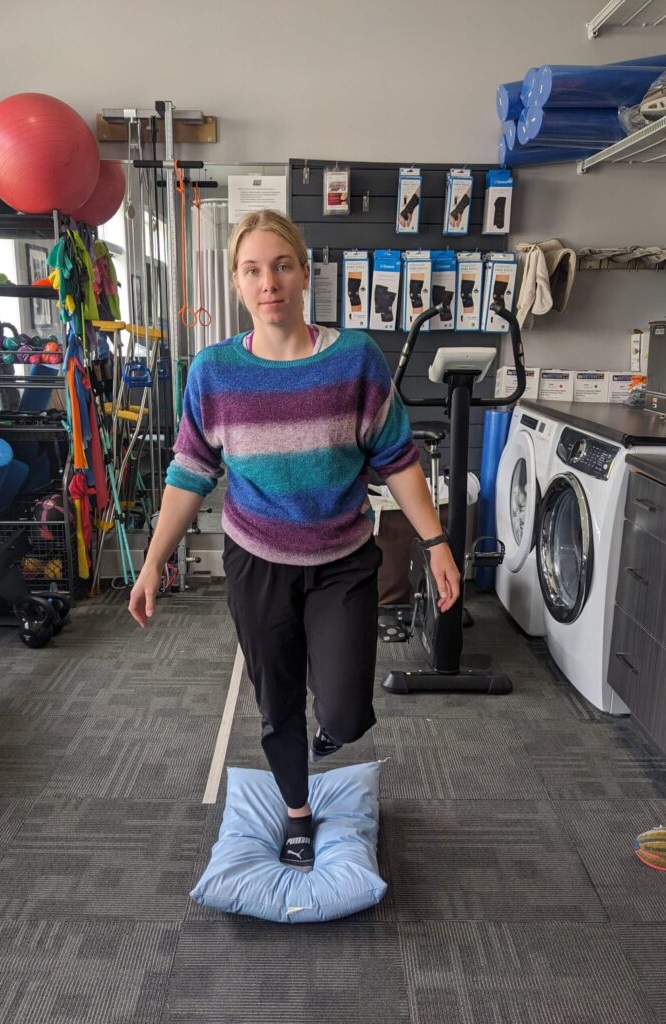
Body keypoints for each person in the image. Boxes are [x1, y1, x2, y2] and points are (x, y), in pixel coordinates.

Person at [128, 209, 461, 871]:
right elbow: (190, 471)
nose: (269, 281)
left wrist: (436, 542)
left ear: (305, 272)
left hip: (342, 561)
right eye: (252, 269)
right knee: (276, 699)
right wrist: (152, 561)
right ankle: (297, 811)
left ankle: (332, 733)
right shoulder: (215, 372)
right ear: (236, 283)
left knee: (342, 711)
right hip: (257, 562)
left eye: (281, 265)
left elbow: (396, 459)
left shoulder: (353, 360)